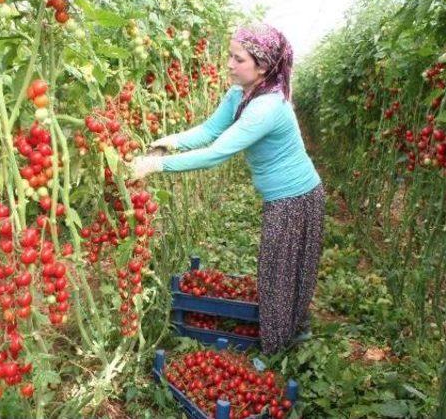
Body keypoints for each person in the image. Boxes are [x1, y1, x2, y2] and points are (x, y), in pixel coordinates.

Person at [129, 23, 325, 355]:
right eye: (230, 57)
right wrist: (170, 142)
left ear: (261, 66)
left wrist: (158, 165)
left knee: (278, 271)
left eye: (238, 59)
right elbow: (209, 131)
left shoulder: (268, 107)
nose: (230, 65)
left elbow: (217, 152)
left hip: (296, 198)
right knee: (282, 267)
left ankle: (277, 348)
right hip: (284, 197)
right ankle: (291, 327)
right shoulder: (241, 94)